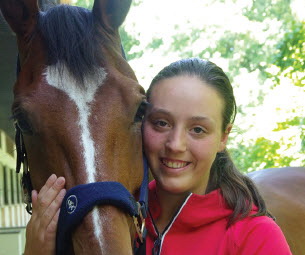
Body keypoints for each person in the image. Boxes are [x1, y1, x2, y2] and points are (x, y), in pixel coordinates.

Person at [24, 58, 292, 255]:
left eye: (198, 129)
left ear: (223, 137)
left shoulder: (256, 237)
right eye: (161, 123)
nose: (175, 144)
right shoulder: (111, 218)